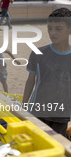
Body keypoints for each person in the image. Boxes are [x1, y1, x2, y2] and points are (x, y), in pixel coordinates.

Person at [22, 8, 71, 137]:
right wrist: (23, 105)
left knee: (58, 145)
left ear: (69, 30)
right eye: (50, 28)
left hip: (62, 114)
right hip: (37, 111)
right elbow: (30, 81)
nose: (52, 32)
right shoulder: (38, 54)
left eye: (58, 29)